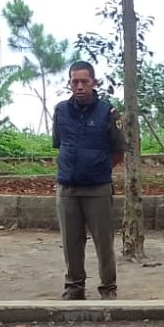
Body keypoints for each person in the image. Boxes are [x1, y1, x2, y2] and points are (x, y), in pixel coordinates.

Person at [52, 60, 126, 299]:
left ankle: (108, 288)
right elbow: (59, 144)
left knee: (104, 242)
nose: (80, 86)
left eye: (84, 81)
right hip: (67, 188)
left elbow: (118, 151)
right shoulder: (61, 111)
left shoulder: (108, 112)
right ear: (69, 83)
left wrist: (98, 167)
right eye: (75, 82)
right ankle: (74, 288)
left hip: (98, 188)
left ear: (94, 82)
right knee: (71, 242)